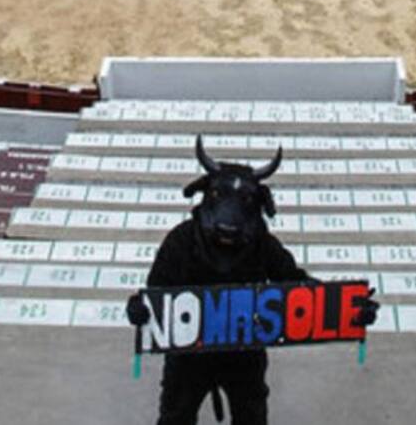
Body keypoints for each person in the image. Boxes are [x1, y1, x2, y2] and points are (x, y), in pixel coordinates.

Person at [126, 137, 379, 424]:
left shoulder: (262, 244)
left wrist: (348, 308)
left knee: (251, 416)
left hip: (244, 356)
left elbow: (297, 284)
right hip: (188, 356)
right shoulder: (181, 240)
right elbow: (156, 290)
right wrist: (139, 307)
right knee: (176, 416)